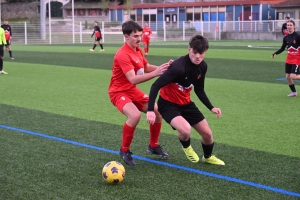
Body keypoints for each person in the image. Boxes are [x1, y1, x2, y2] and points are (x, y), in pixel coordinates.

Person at [146, 34, 225, 166]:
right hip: (168, 105)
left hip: (186, 104)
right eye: (195, 52)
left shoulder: (203, 67)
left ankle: (208, 157)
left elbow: (199, 89)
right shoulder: (178, 67)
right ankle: (187, 146)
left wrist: (211, 107)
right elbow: (156, 86)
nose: (198, 56)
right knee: (185, 130)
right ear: (189, 49)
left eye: (201, 53)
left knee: (208, 134)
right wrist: (150, 110)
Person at [108, 20, 172, 167]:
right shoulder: (122, 55)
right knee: (135, 116)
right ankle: (124, 150)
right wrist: (157, 73)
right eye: (135, 36)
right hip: (118, 92)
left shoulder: (138, 49)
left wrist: (166, 68)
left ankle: (153, 146)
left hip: (131, 90)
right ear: (126, 36)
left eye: (140, 35)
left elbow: (146, 67)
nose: (139, 39)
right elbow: (133, 79)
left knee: (156, 110)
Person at [272, 20, 300, 97]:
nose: (289, 27)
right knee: (288, 77)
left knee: (293, 76)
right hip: (289, 59)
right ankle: (294, 92)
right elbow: (282, 48)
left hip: (297, 59)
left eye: (291, 25)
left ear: (294, 26)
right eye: (288, 25)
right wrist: (275, 53)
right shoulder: (286, 37)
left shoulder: (297, 36)